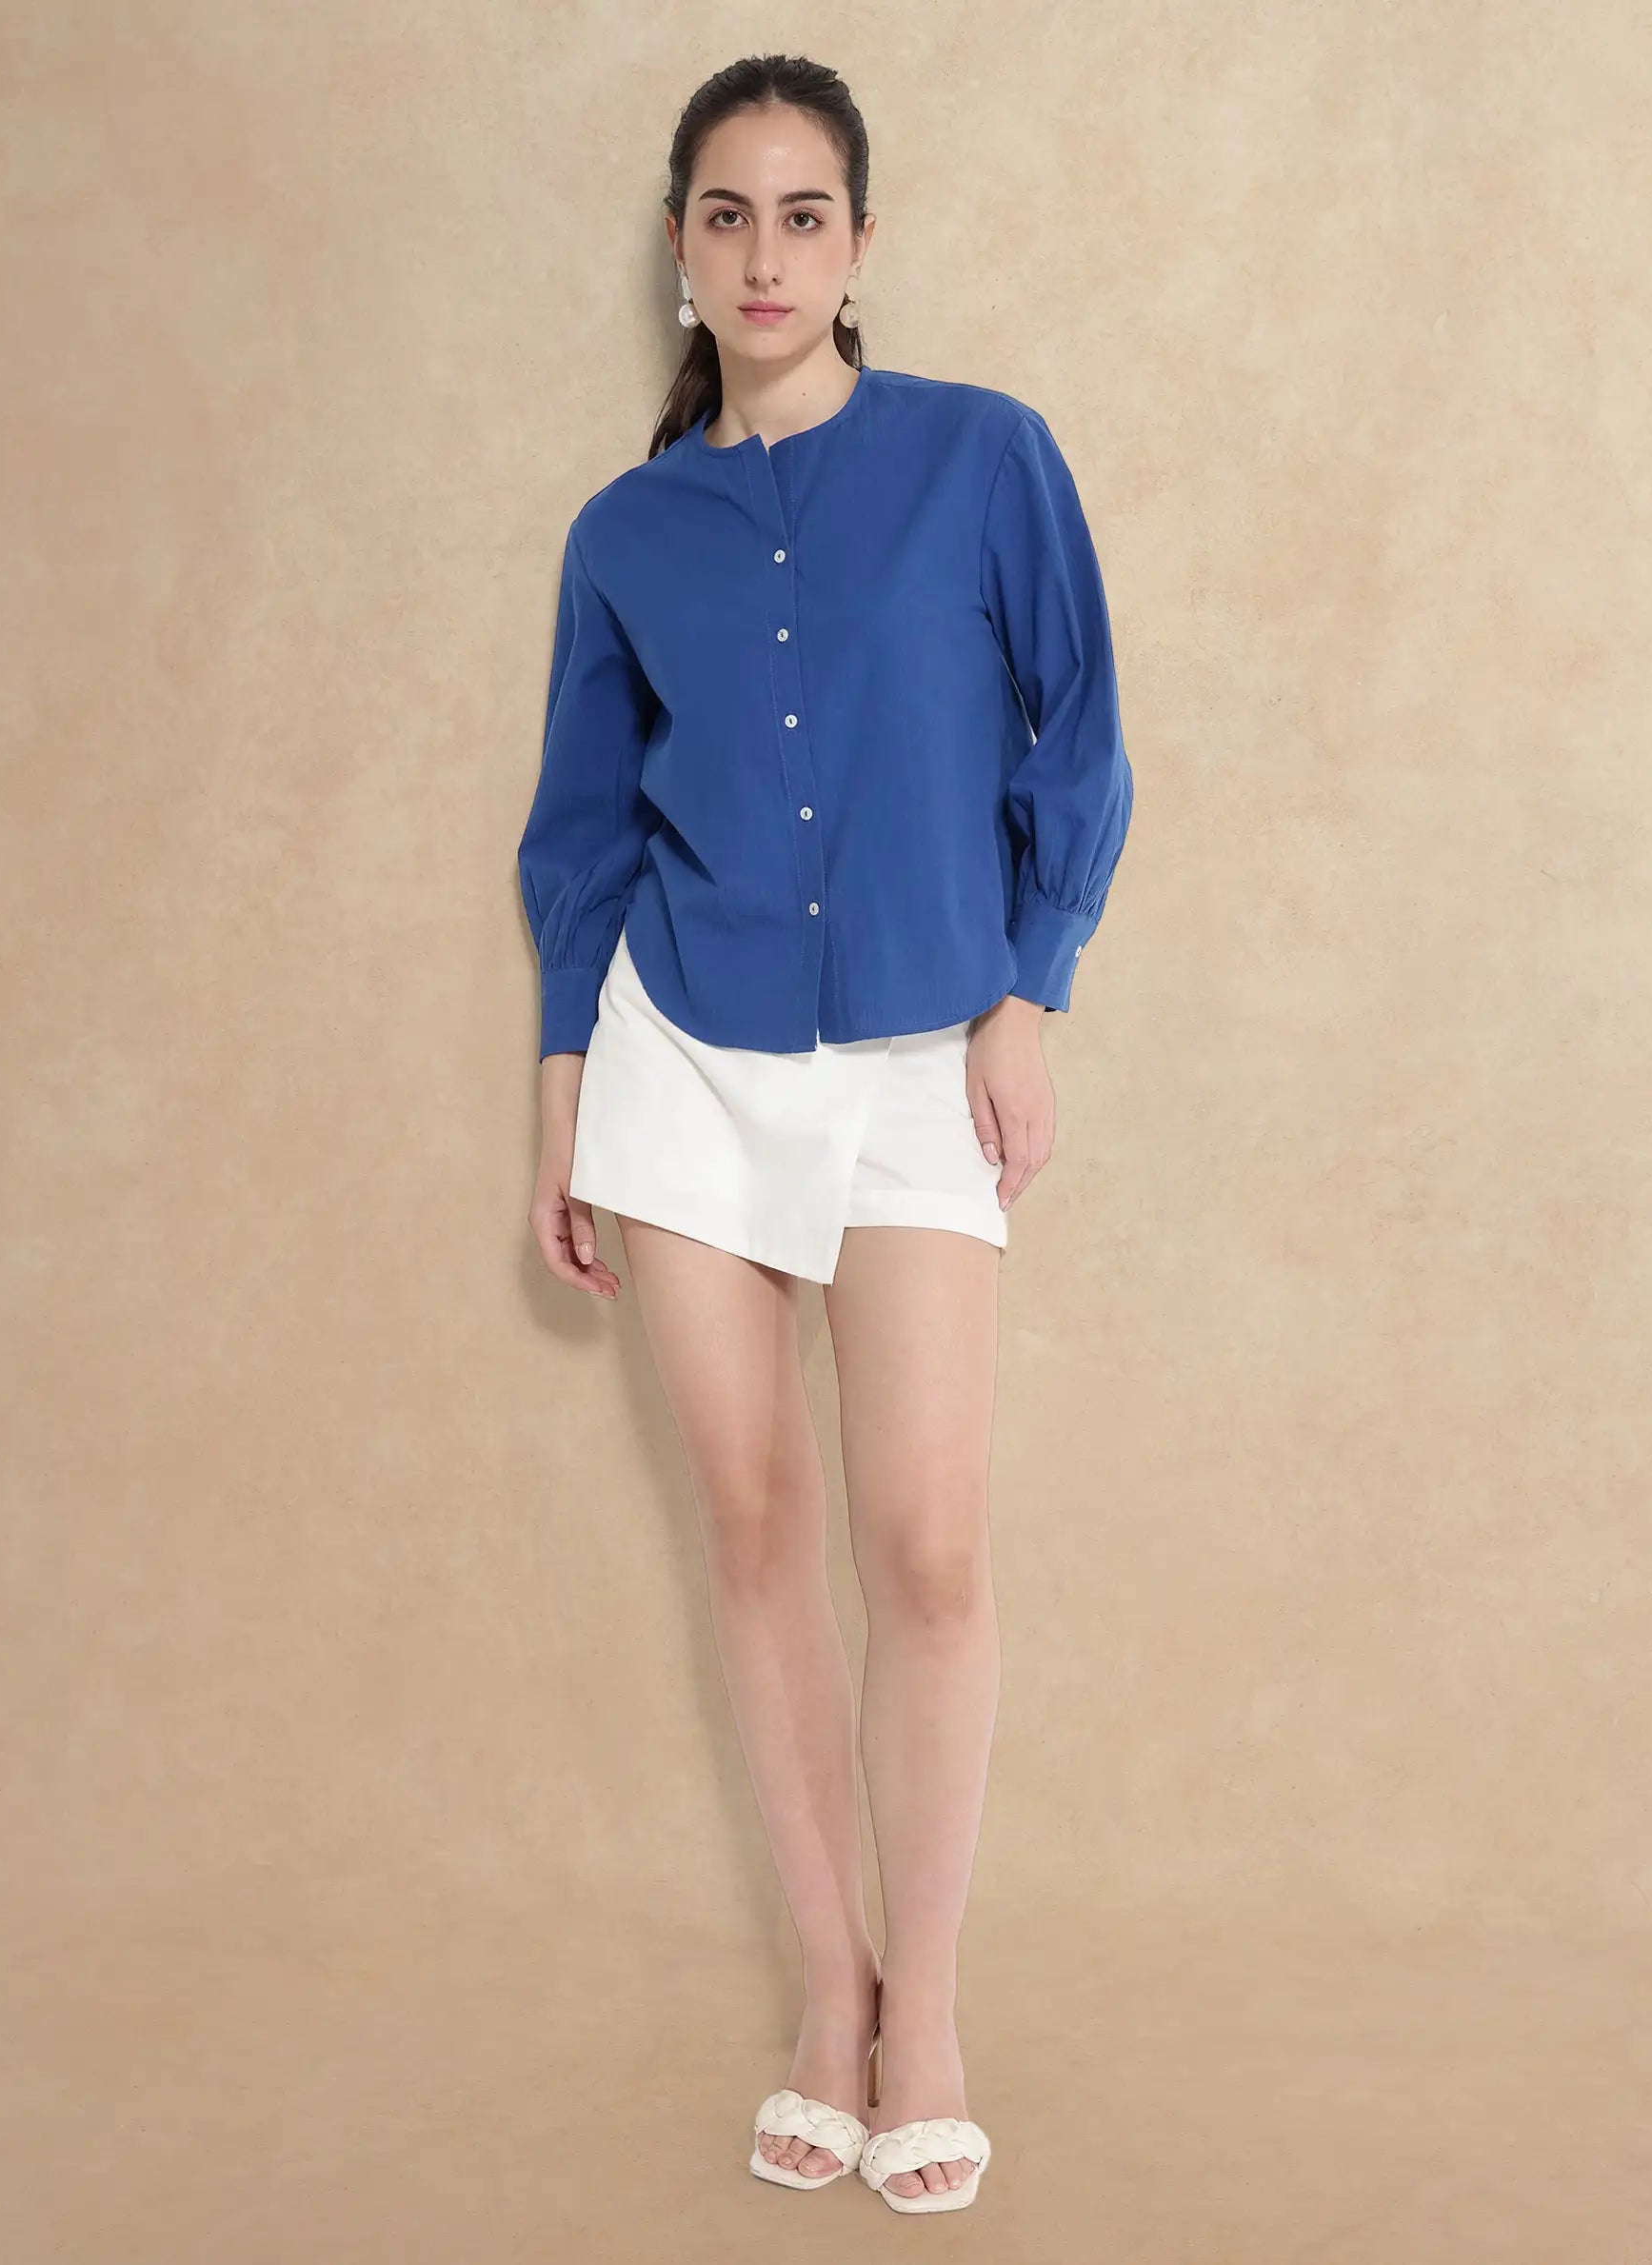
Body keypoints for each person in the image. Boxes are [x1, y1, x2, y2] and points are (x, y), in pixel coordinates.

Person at [516, 52, 1133, 2215]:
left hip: (915, 1053)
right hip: (679, 1053)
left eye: (803, 214)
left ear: (859, 243)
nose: (763, 255)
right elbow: (581, 834)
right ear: (680, 251)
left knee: (929, 1548)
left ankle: (928, 2008)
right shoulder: (625, 534)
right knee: (756, 1527)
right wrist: (561, 1094)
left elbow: (1083, 730)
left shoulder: (986, 457)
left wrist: (1029, 985)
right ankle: (831, 1994)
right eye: (726, 215)